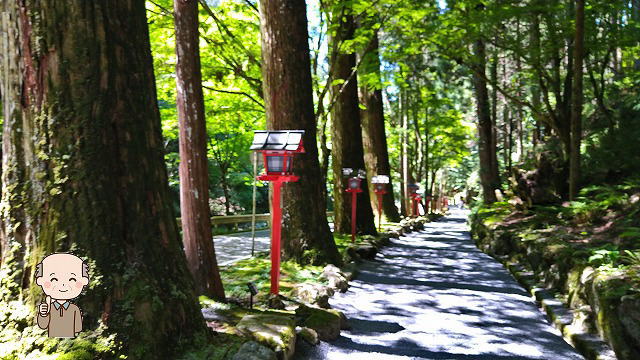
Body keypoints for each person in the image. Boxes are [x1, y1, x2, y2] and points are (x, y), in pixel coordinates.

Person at [35, 253, 89, 337]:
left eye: (72, 279)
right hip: (52, 338)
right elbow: (43, 325)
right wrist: (43, 314)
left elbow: (78, 327)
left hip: (70, 337)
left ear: (83, 281)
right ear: (41, 280)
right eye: (53, 279)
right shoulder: (50, 308)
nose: (63, 285)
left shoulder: (74, 309)